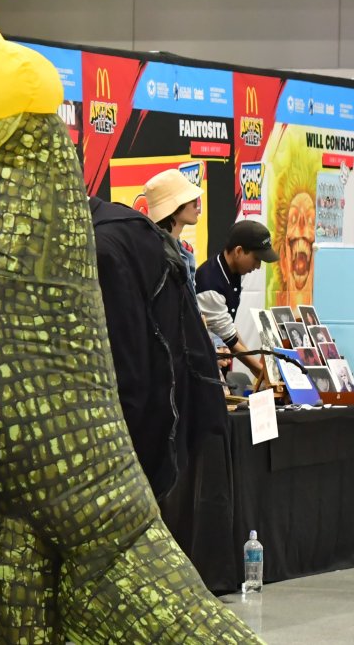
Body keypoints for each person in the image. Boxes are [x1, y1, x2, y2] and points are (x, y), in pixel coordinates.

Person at [89, 195, 227, 501]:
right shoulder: (128, 234)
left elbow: (128, 360)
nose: (198, 207)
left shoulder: (107, 242)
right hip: (175, 413)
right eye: (189, 202)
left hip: (159, 422)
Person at [195, 220, 279, 380]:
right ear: (238, 251)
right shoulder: (210, 283)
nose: (258, 266)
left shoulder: (231, 273)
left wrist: (259, 369)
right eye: (256, 258)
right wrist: (263, 374)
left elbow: (229, 331)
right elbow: (230, 339)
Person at [144, 169, 202, 291]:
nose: (198, 206)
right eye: (193, 201)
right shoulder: (159, 255)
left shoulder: (179, 250)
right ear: (176, 207)